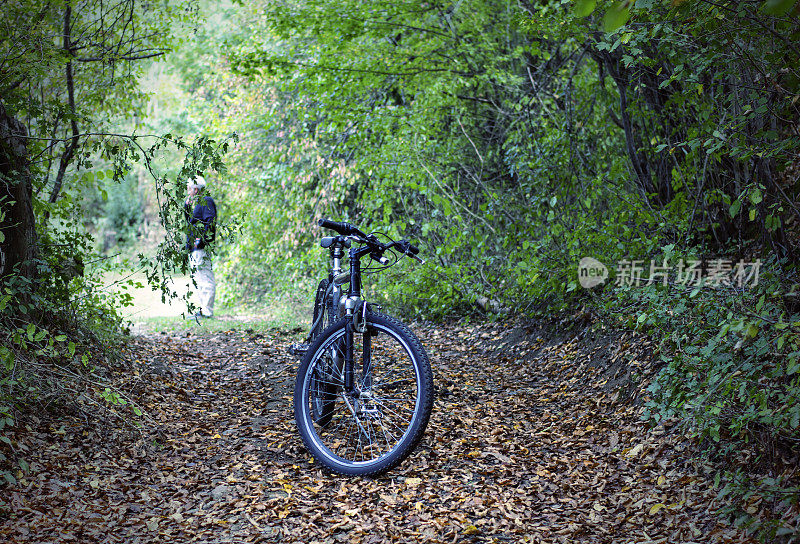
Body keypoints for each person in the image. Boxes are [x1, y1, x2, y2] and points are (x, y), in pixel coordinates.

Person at [184, 175, 217, 318]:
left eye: (189, 188)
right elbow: (190, 223)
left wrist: (201, 241)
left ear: (195, 189)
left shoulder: (207, 202)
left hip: (201, 248)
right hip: (194, 248)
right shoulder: (197, 204)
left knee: (205, 277)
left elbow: (210, 223)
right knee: (198, 279)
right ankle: (203, 310)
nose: (187, 190)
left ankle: (207, 311)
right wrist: (187, 206)